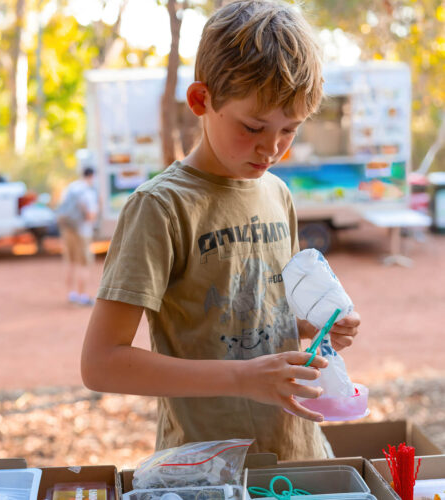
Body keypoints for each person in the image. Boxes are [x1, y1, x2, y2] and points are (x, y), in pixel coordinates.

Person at [81, 0, 361, 459]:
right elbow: (101, 363)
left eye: (289, 130)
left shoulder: (277, 194)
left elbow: (260, 313)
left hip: (298, 453)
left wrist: (316, 327)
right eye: (253, 126)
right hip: (209, 468)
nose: (271, 147)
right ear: (200, 100)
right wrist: (242, 378)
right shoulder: (161, 207)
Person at [57, 166, 99, 306]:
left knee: (70, 262)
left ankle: (71, 294)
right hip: (82, 231)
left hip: (67, 229)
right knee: (84, 264)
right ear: (92, 176)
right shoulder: (88, 192)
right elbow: (91, 215)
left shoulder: (71, 188)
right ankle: (82, 296)